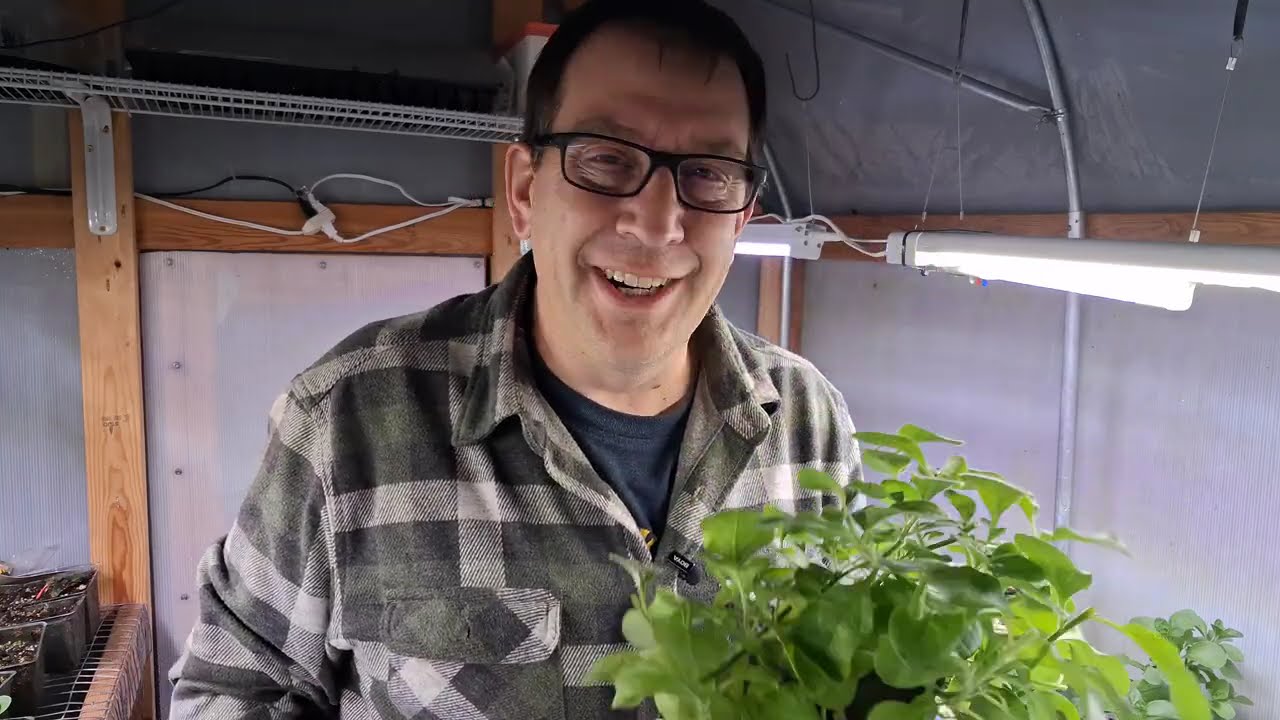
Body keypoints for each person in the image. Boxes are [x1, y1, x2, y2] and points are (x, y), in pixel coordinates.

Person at [168, 1, 862, 718]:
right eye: (607, 159)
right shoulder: (348, 421)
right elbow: (234, 689)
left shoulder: (808, 422)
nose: (657, 224)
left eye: (709, 173)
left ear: (743, 213)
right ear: (527, 191)